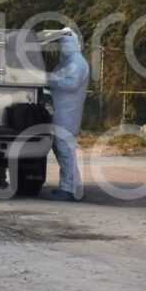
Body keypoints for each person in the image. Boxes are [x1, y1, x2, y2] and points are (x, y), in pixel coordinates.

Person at [45, 30, 90, 201]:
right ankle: (69, 186)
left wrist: (49, 79)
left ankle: (69, 190)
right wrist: (51, 78)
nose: (61, 49)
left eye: (62, 45)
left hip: (68, 114)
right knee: (62, 150)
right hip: (62, 112)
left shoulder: (77, 63)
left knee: (66, 151)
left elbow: (70, 84)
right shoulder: (67, 62)